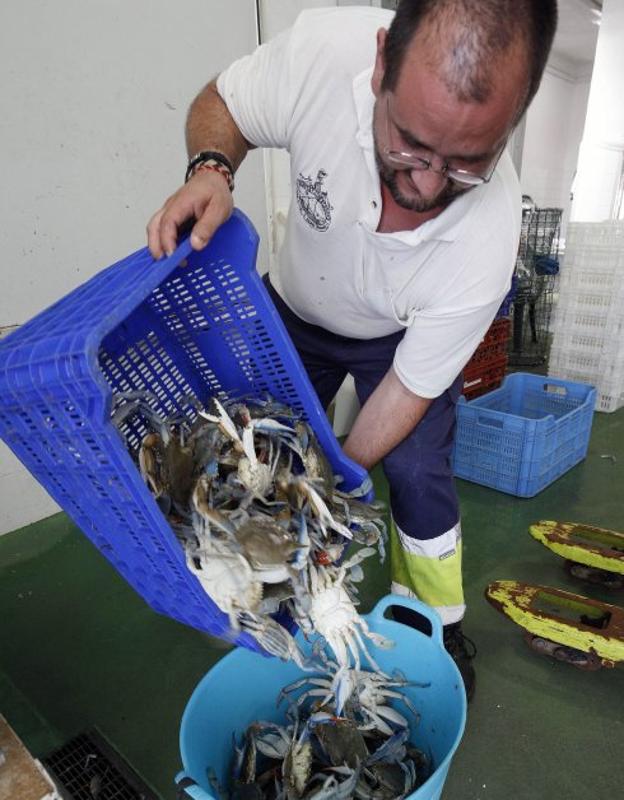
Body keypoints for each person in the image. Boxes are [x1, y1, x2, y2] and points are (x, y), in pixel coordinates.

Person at [147, 0, 558, 700]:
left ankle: (433, 617)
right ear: (378, 66)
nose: (426, 185)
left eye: (467, 163)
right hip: (295, 311)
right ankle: (272, 593)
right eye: (409, 143)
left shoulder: (487, 239)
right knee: (253, 453)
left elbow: (404, 393)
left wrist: (331, 483)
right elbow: (226, 105)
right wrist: (213, 166)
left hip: (398, 340)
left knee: (417, 468)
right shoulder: (322, 56)